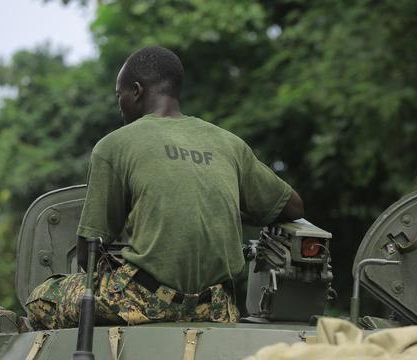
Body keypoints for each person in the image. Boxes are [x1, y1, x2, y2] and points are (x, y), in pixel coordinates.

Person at [26, 46, 304, 330]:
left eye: (119, 94)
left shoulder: (114, 145)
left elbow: (88, 253)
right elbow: (292, 206)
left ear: (136, 90)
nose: (119, 103)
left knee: (40, 299)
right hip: (217, 307)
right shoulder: (229, 143)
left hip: (144, 300)